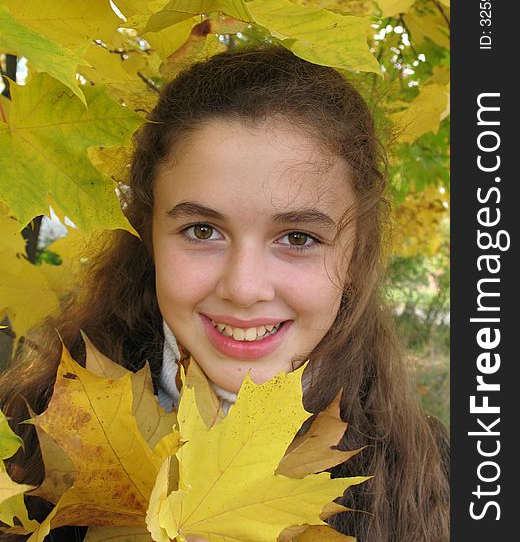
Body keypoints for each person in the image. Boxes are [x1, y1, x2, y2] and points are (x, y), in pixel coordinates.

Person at [0, 45, 449, 541]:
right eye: (201, 231)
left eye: (298, 238)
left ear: (356, 255)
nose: (243, 288)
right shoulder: (21, 437)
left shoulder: (446, 483)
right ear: (147, 233)